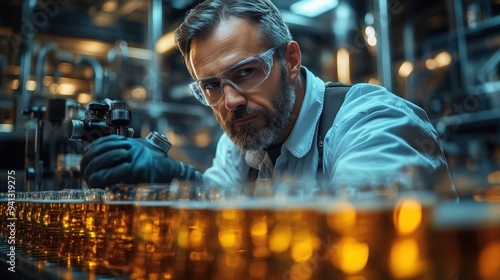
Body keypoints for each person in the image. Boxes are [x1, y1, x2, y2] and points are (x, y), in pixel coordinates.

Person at [80, 0, 456, 197]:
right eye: (210, 86)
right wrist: (180, 181)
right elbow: (220, 208)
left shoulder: (372, 120)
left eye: (244, 73)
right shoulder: (246, 138)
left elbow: (360, 231)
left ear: (290, 60)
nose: (230, 101)